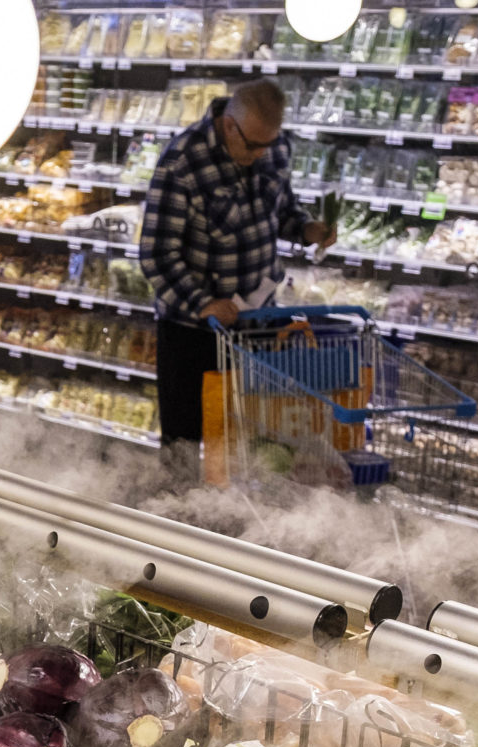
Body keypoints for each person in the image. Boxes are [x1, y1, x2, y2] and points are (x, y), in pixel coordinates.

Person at [139, 78, 333, 478]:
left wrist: (307, 229)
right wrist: (203, 304)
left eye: (270, 144)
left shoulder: (271, 146)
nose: (262, 154)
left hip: (257, 327)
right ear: (230, 125)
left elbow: (279, 213)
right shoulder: (182, 163)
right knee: (185, 449)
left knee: (255, 442)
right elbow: (156, 255)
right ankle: (178, 530)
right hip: (192, 335)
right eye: (253, 146)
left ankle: (239, 530)